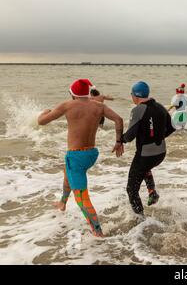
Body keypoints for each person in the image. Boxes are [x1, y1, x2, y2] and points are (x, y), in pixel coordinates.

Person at [38, 79, 124, 237]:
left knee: (82, 199)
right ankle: (62, 203)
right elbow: (119, 120)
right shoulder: (99, 106)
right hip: (91, 154)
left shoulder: (67, 105)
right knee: (67, 171)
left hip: (76, 156)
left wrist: (44, 112)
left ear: (72, 93)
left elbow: (41, 122)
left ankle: (97, 232)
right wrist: (119, 142)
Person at [120, 81, 176, 215]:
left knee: (131, 189)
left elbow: (130, 136)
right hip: (161, 153)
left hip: (146, 155)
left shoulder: (137, 109)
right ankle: (152, 192)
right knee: (144, 168)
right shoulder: (160, 107)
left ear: (135, 95)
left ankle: (140, 219)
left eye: (132, 94)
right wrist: (157, 137)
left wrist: (120, 139)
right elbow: (171, 128)